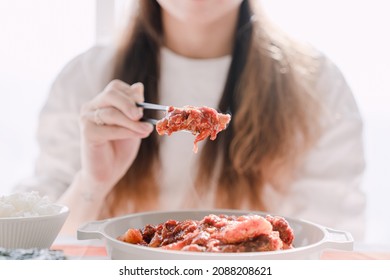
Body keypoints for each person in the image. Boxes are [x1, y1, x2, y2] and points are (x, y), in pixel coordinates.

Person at [15, 0, 366, 239]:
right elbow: (37, 244)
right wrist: (93, 182)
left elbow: (332, 244)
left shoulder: (316, 84)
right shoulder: (87, 78)